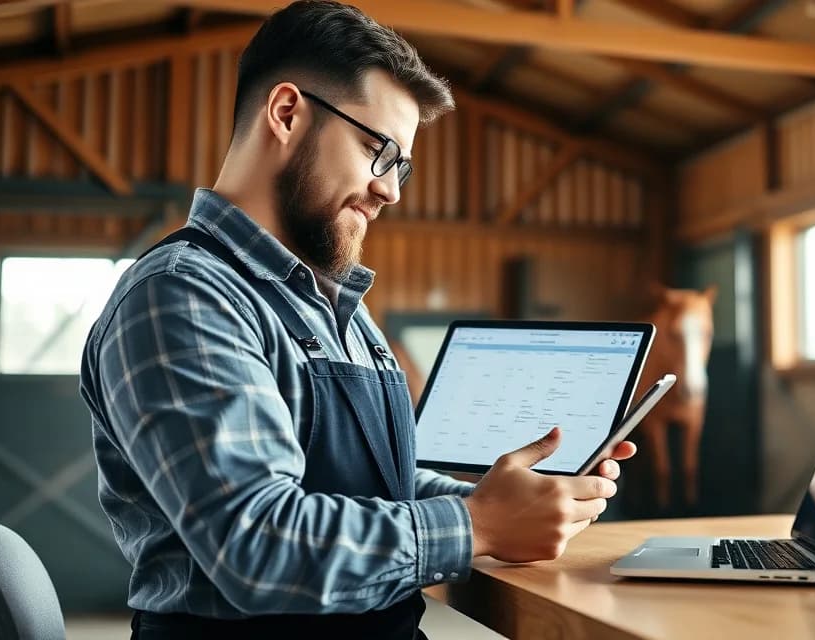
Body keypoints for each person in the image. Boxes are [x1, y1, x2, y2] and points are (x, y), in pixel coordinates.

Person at [78, 2, 636, 638]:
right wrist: (480, 525)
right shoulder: (184, 295)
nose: (391, 190)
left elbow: (380, 486)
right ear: (286, 113)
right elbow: (256, 546)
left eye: (402, 165)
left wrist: (521, 502)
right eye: (378, 150)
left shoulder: (337, 304)